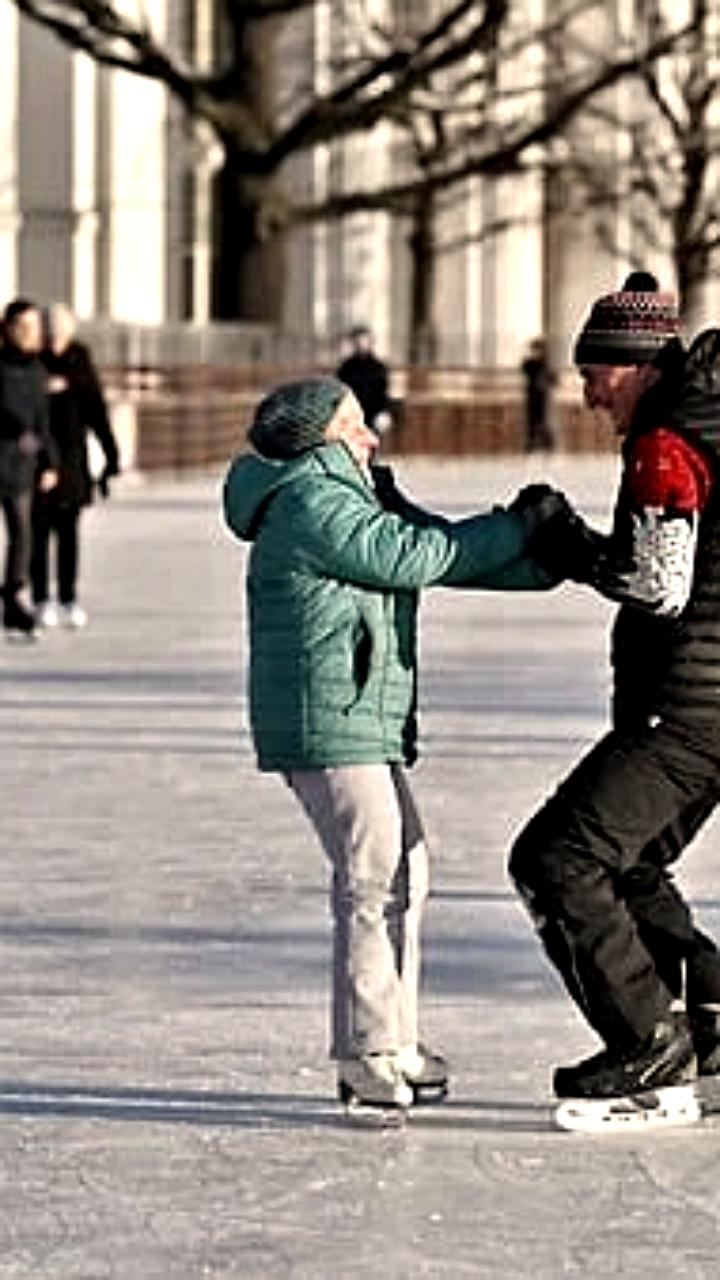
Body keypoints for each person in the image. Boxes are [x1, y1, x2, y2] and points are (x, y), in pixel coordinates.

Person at [223, 376, 562, 1110]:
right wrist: (518, 526)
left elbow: (432, 549)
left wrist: (542, 557)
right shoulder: (313, 501)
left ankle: (393, 1040)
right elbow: (408, 555)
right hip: (328, 718)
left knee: (405, 864)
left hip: (354, 714)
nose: (372, 436)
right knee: (375, 876)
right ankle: (368, 1052)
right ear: (321, 439)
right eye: (355, 426)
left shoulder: (343, 496)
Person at [509, 271, 720, 1105]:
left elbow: (655, 581)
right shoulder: (709, 422)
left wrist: (562, 543)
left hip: (687, 708)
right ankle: (711, 1018)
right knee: (629, 870)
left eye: (594, 376)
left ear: (633, 366)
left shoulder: (669, 443)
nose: (590, 397)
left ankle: (644, 1040)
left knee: (556, 859)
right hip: (710, 704)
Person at [32, 303, 120, 629]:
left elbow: (97, 411)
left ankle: (68, 598)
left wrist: (112, 456)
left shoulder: (80, 363)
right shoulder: (33, 363)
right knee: (38, 535)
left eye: (60, 332)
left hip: (71, 462)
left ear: (69, 333)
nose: (54, 338)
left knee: (68, 534)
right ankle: (41, 599)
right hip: (37, 462)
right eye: (49, 332)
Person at [0, 298, 58, 637]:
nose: (29, 334)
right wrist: (15, 428)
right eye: (22, 327)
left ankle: (12, 597)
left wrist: (50, 462)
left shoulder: (38, 371)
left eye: (34, 328)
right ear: (7, 329)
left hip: (21, 465)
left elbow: (43, 422)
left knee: (23, 533)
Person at [335, 327, 391, 433]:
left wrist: (384, 411)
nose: (361, 344)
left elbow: (383, 391)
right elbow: (341, 389)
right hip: (352, 412)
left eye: (364, 340)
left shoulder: (378, 366)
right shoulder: (346, 367)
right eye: (358, 340)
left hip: (373, 413)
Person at [520, 337, 556, 452]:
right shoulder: (529, 364)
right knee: (531, 422)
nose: (535, 352)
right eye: (534, 349)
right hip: (532, 396)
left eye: (537, 349)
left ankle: (549, 446)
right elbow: (524, 370)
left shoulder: (546, 364)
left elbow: (554, 379)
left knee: (544, 421)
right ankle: (530, 446)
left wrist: (545, 383)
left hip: (542, 397)